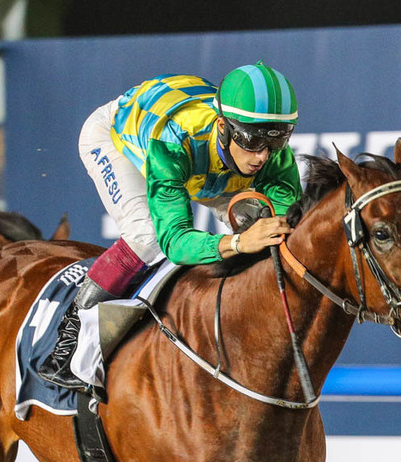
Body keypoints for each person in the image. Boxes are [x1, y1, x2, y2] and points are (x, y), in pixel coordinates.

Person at [38, 61, 302, 390]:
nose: (263, 156)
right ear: (223, 127)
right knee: (146, 237)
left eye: (276, 141)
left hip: (200, 156)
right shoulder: (173, 140)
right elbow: (174, 242)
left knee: (261, 219)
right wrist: (237, 244)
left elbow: (286, 224)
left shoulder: (272, 153)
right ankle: (68, 342)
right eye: (252, 141)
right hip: (120, 139)